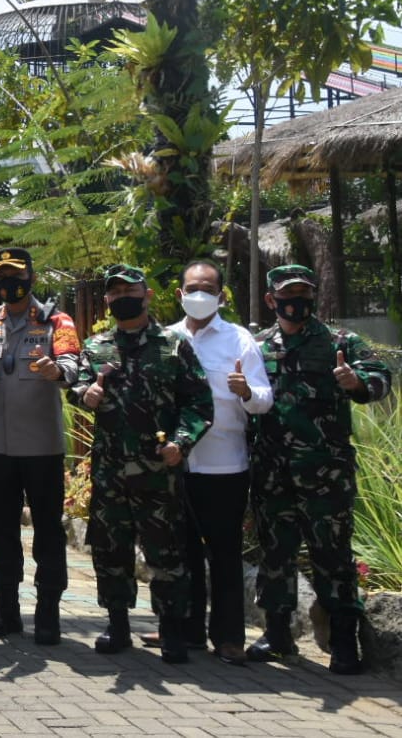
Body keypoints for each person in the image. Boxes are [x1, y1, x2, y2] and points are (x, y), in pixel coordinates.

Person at [247, 263, 392, 674]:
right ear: (272, 299)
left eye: (305, 294)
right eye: (288, 295)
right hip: (272, 471)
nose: (297, 302)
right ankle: (277, 635)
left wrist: (356, 383)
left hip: (325, 472)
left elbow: (380, 377)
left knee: (334, 556)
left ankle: (344, 642)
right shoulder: (257, 346)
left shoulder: (339, 341)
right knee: (276, 553)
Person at [70, 263, 212, 663]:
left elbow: (199, 403)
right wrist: (86, 396)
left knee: (165, 554)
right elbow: (78, 389)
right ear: (107, 300)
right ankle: (117, 626)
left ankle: (172, 632)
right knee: (110, 551)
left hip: (158, 472)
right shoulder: (96, 347)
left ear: (147, 295)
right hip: (111, 472)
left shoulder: (173, 344)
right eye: (114, 293)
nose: (121, 298)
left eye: (129, 291)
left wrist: (182, 443)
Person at [144, 259, 271, 664]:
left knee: (225, 554)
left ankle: (230, 636)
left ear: (221, 296)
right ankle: (186, 629)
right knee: (181, 554)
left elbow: (264, 401)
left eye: (208, 289)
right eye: (192, 288)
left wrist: (246, 390)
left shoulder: (239, 341)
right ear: (180, 294)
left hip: (223, 466)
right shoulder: (164, 339)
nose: (199, 295)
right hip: (175, 466)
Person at [0, 247, 81, 645]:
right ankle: (6, 611)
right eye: (1, 277)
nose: (8, 284)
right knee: (0, 532)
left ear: (31, 278)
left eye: (15, 276)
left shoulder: (56, 321)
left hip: (42, 448)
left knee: (48, 533)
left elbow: (72, 363)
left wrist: (58, 370)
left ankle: (48, 613)